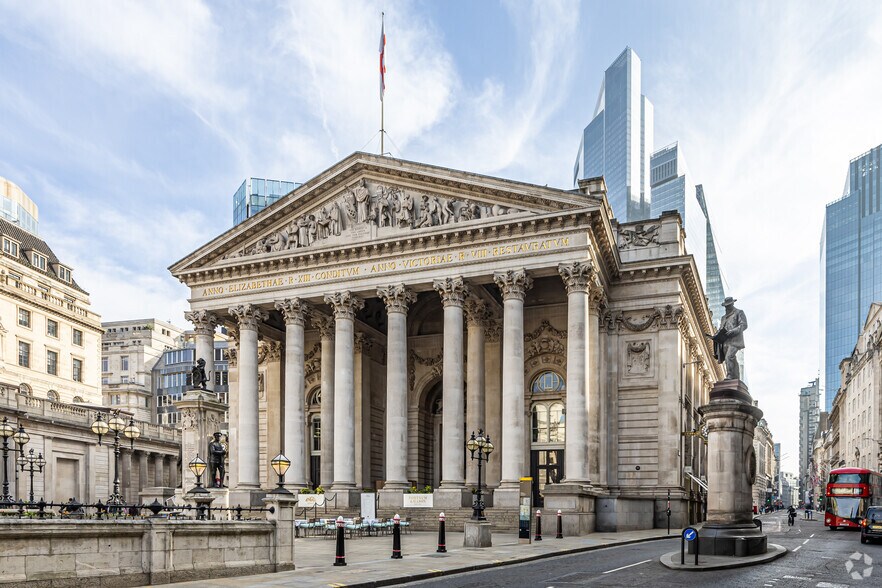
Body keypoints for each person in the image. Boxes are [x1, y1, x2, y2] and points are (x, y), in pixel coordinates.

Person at [706, 297, 748, 380]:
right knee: (729, 358)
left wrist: (733, 331)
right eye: (726, 306)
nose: (727, 308)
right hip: (725, 341)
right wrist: (715, 336)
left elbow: (744, 325)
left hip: (735, 341)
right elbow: (721, 329)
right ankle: (736, 376)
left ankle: (730, 375)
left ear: (732, 304)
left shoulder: (739, 312)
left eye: (728, 306)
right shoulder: (723, 318)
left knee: (729, 356)